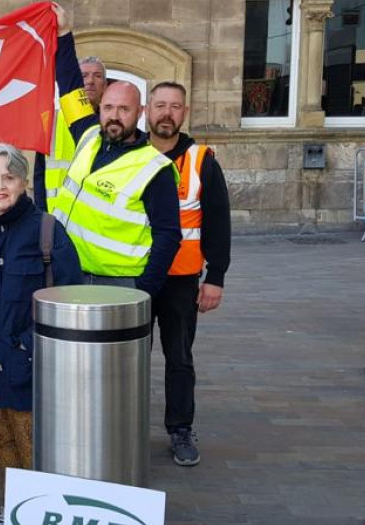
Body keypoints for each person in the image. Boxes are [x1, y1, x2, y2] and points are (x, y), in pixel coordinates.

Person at [0, 143, 81, 525]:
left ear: (23, 181)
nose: (0, 186)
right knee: (2, 442)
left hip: (27, 367)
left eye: (8, 178)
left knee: (33, 449)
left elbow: (68, 298)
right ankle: (14, 509)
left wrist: (30, 346)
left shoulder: (47, 231)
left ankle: (42, 513)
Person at [49, 6, 182, 303]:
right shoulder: (87, 135)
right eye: (108, 108)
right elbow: (70, 84)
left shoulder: (154, 168)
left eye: (124, 110)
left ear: (140, 112)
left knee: (121, 352)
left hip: (121, 284)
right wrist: (63, 33)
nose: (114, 116)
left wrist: (144, 289)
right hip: (73, 273)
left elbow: (169, 236)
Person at [143, 81, 231, 467]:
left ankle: (180, 429)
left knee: (179, 357)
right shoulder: (129, 155)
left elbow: (218, 222)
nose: (167, 113)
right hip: (137, 277)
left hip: (181, 279)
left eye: (174, 106)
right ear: (147, 110)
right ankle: (125, 429)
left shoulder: (201, 160)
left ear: (185, 112)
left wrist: (216, 277)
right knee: (130, 359)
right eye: (160, 105)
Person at [33, 55, 108, 213]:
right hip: (57, 217)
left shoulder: (114, 125)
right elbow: (39, 175)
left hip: (96, 219)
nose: (90, 81)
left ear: (105, 86)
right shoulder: (50, 121)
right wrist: (41, 216)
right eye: (84, 76)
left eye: (98, 76)